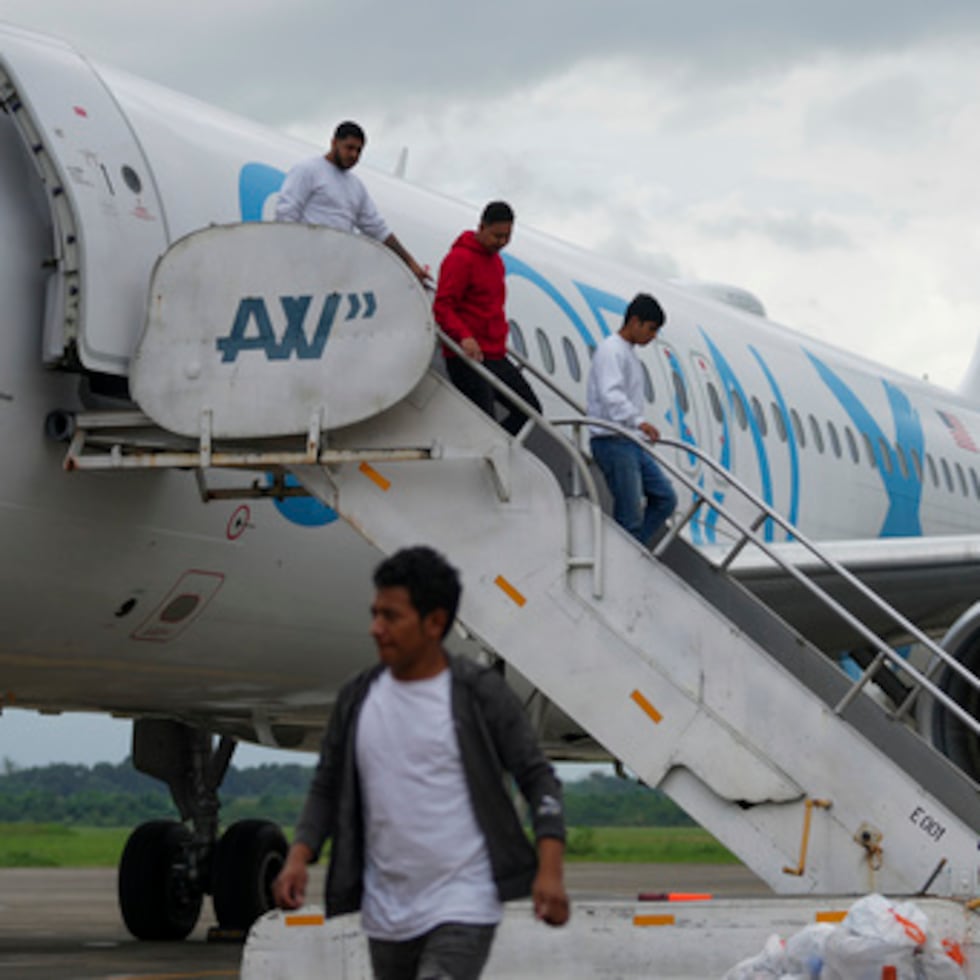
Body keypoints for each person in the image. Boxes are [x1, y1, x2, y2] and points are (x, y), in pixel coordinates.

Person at [273, 545, 569, 980]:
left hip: (464, 902)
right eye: (374, 614)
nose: (376, 629)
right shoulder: (358, 698)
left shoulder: (477, 693)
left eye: (391, 617)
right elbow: (327, 785)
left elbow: (538, 778)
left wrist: (550, 869)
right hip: (385, 911)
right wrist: (299, 857)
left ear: (434, 623)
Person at [433, 201, 542, 436]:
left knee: (531, 410)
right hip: (468, 356)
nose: (502, 243)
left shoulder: (497, 263)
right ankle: (491, 449)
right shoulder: (460, 259)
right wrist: (463, 336)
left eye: (507, 237)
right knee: (485, 419)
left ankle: (496, 450)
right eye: (497, 236)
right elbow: (443, 306)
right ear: (481, 227)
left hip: (494, 353)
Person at [275, 120, 430, 284]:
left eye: (359, 151)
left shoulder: (355, 186)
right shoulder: (308, 170)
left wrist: (410, 262)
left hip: (335, 271)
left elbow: (378, 228)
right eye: (349, 148)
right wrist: (290, 260)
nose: (354, 155)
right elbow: (286, 214)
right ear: (334, 143)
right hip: (304, 266)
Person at [586, 293, 678, 545]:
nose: (653, 336)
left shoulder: (627, 353)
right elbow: (610, 393)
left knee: (665, 498)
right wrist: (639, 422)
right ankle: (627, 552)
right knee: (630, 514)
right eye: (651, 329)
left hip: (629, 441)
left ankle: (632, 549)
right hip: (612, 440)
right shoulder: (611, 350)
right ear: (634, 322)